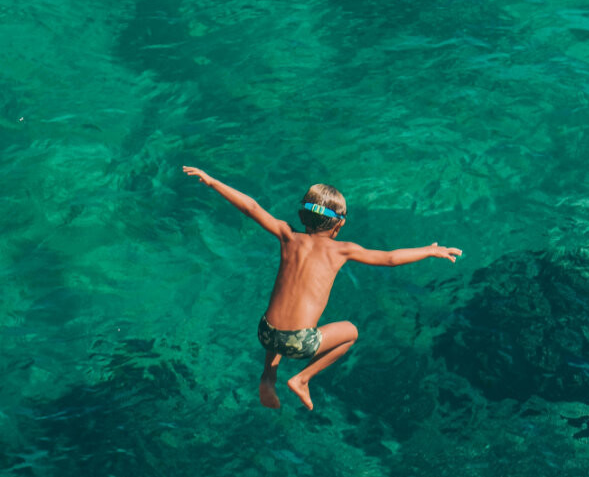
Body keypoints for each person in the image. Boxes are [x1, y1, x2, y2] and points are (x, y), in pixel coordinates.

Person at [182, 166, 461, 410]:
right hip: (300, 343)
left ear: (304, 215)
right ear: (339, 223)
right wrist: (427, 250)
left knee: (281, 325)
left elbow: (252, 207)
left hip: (266, 332)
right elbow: (390, 258)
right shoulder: (342, 251)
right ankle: (302, 379)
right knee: (351, 332)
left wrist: (212, 181)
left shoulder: (287, 235)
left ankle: (268, 375)